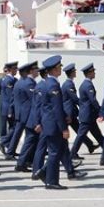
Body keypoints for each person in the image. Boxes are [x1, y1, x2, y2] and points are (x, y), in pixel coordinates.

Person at [32, 55, 69, 190]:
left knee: (57, 151)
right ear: (53, 69)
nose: (60, 69)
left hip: (48, 123)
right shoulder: (53, 84)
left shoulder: (45, 83)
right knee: (54, 152)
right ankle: (51, 181)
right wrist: (64, 128)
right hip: (53, 124)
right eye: (59, 67)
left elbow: (43, 107)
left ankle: (44, 172)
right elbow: (56, 108)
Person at [70, 63, 103, 159]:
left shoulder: (85, 84)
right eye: (93, 72)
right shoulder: (88, 85)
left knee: (97, 134)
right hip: (87, 115)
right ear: (89, 73)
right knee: (81, 135)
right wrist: (100, 111)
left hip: (89, 115)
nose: (94, 73)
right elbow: (93, 100)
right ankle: (73, 153)